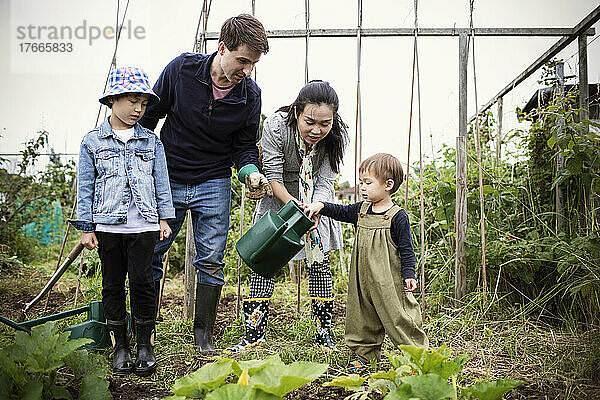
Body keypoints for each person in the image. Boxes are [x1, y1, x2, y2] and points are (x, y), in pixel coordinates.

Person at [138, 14, 271, 354]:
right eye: (243, 60)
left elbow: (243, 147)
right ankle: (144, 336)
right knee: (152, 252)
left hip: (213, 179)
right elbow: (150, 118)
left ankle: (203, 336)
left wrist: (250, 171)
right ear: (222, 48)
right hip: (168, 177)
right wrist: (140, 169)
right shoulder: (182, 71)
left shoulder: (250, 95)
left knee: (211, 258)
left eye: (253, 64)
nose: (247, 70)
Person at [227, 80, 348, 353]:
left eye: (325, 123)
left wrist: (317, 208)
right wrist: (297, 210)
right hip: (278, 198)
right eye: (310, 122)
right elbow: (273, 174)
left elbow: (327, 180)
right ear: (296, 112)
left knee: (319, 265)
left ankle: (323, 335)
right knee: (264, 262)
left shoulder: (337, 135)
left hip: (315, 201)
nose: (317, 130)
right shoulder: (276, 126)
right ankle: (253, 335)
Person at [69, 67, 175, 377]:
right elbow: (86, 186)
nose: (138, 110)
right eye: (132, 102)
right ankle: (121, 347)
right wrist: (87, 227)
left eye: (143, 103)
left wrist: (164, 218)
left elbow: (161, 182)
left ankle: (145, 345)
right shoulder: (92, 142)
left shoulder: (151, 142)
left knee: (143, 284)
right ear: (112, 101)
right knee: (112, 285)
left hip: (142, 225)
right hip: (108, 227)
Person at [302, 153, 428, 371]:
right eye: (361, 182)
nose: (362, 187)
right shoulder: (360, 210)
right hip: (362, 278)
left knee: (398, 315)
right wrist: (320, 206)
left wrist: (409, 275)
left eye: (368, 183)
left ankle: (416, 355)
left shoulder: (397, 216)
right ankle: (364, 355)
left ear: (388, 185)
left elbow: (407, 250)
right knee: (362, 315)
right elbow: (339, 211)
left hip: (388, 280)